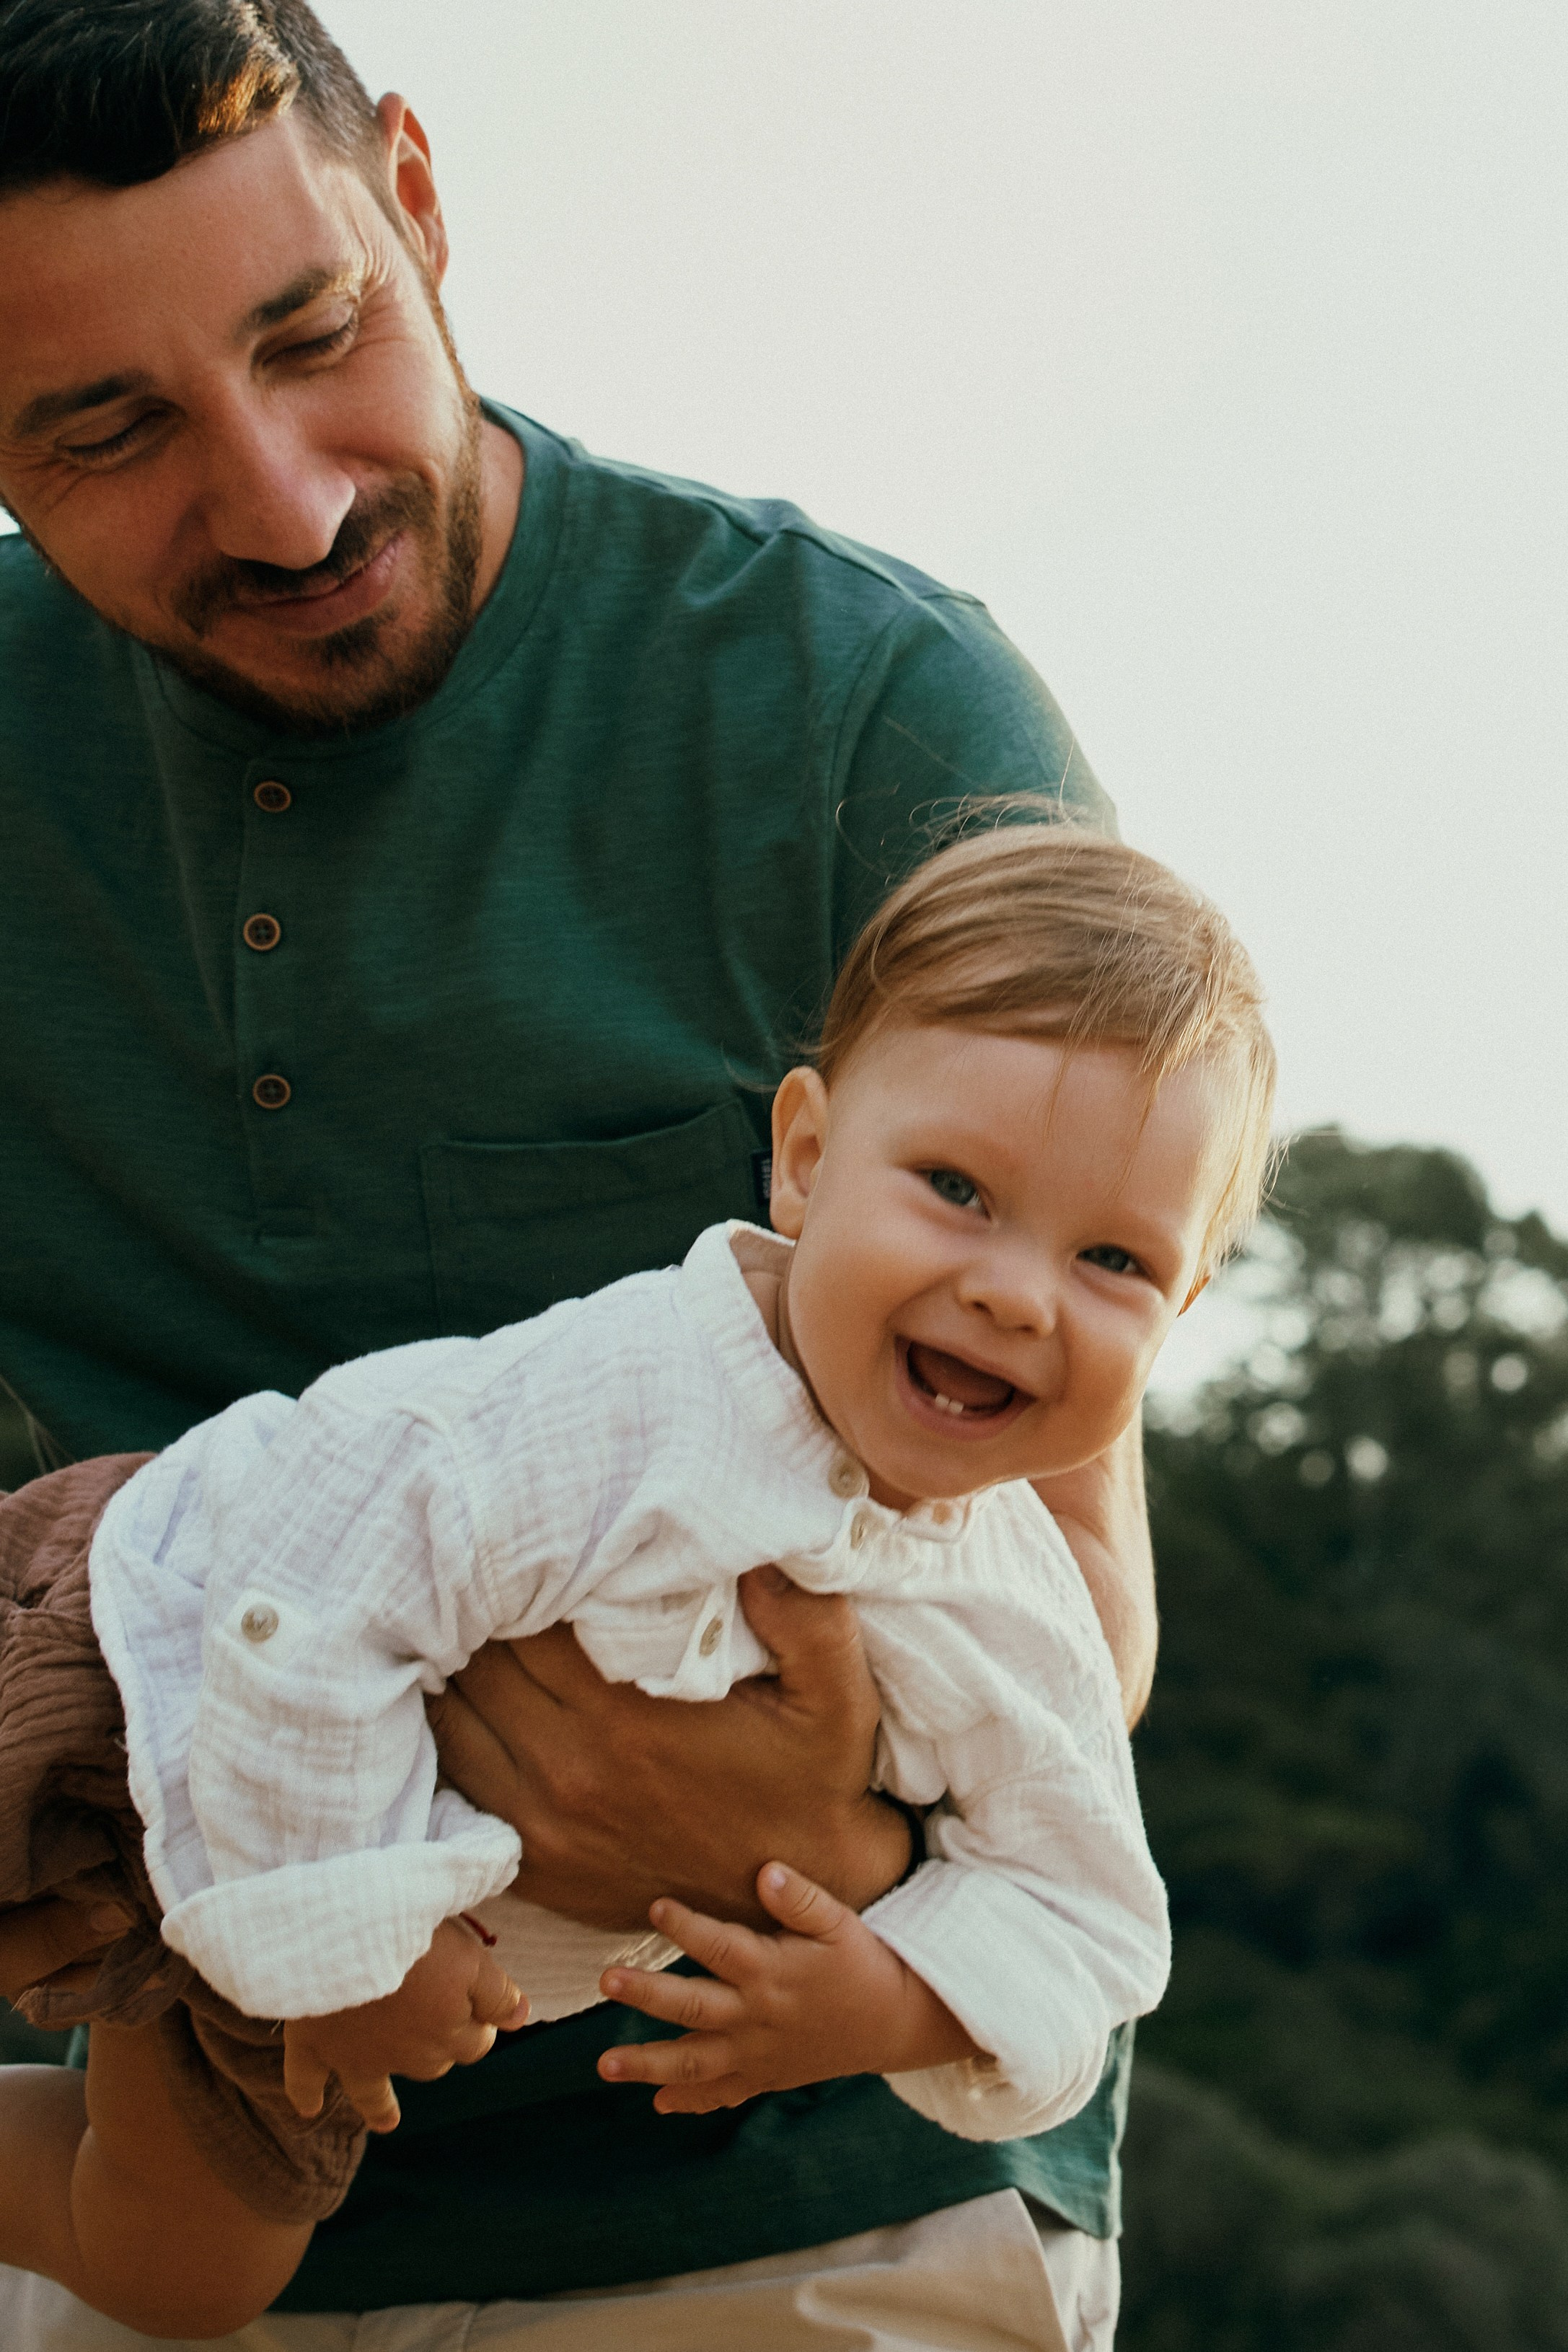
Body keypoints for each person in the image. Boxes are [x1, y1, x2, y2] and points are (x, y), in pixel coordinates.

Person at [0, 3, 1160, 2345]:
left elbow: (1076, 1598)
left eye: (315, 337)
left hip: (819, 2226)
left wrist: (785, 1842)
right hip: (185, 2164)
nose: (287, 503)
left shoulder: (867, 710)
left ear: (421, 203)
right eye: (109, 434)